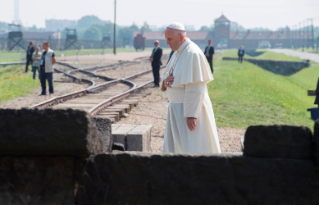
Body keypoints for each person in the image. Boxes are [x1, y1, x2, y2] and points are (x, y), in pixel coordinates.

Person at [161, 22, 221, 154]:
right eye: (166, 39)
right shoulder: (177, 52)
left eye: (170, 39)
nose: (167, 43)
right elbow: (167, 75)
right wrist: (165, 82)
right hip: (176, 107)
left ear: (181, 37)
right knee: (177, 147)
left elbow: (196, 87)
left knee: (192, 146)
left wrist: (191, 115)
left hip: (187, 109)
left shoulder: (192, 53)